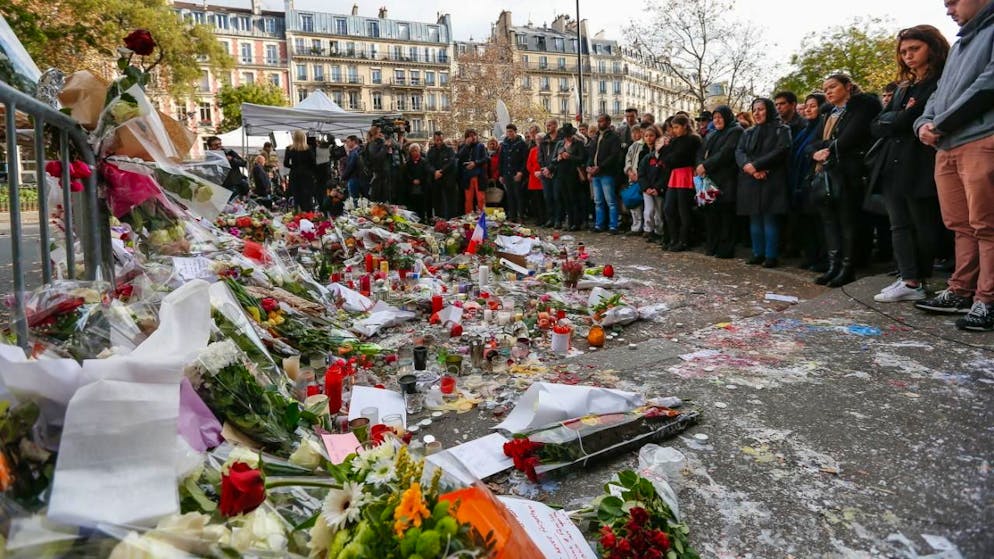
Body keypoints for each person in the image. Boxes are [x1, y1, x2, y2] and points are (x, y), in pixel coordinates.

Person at [914, 0, 994, 331]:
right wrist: (923, 123)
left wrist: (941, 123)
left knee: (987, 223)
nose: (948, 10)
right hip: (947, 145)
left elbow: (987, 84)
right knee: (960, 224)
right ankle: (961, 290)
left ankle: (987, 300)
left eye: (953, 2)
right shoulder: (960, 43)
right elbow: (938, 94)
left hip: (980, 138)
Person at [869, 25, 950, 303]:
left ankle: (917, 279)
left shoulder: (940, 82)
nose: (908, 56)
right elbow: (877, 125)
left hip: (920, 161)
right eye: (903, 51)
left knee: (923, 224)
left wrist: (901, 117)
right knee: (898, 224)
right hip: (892, 162)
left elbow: (909, 120)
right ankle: (907, 277)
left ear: (933, 47)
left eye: (914, 49)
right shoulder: (905, 87)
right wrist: (901, 116)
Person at [808, 74, 883, 286]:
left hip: (850, 173)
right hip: (827, 173)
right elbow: (813, 143)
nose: (828, 92)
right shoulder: (828, 113)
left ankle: (847, 268)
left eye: (833, 86)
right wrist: (815, 152)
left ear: (848, 86)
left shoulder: (863, 106)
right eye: (825, 89)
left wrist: (827, 147)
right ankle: (834, 266)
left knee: (847, 222)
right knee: (830, 222)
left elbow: (849, 138)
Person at [736, 98, 792, 268]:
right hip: (751, 178)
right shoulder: (749, 132)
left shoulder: (782, 129)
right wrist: (750, 167)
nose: (757, 113)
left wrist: (758, 166)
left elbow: (782, 150)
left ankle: (771, 255)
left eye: (761, 109)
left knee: (769, 218)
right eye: (754, 110)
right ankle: (757, 253)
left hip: (771, 179)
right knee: (755, 218)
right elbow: (740, 151)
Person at [788, 93, 829, 271]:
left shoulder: (823, 126)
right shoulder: (805, 129)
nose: (808, 110)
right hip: (800, 180)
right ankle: (810, 255)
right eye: (806, 106)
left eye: (813, 106)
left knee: (819, 222)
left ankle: (823, 258)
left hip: (816, 178)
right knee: (806, 221)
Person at [697, 105, 744, 259]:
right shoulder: (712, 134)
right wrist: (699, 164)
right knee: (711, 214)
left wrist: (705, 165)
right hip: (710, 179)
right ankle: (712, 245)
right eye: (715, 117)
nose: (717, 120)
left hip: (727, 179)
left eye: (720, 117)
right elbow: (701, 152)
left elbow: (726, 153)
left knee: (726, 216)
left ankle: (725, 248)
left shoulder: (735, 131)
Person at [660, 115, 703, 251]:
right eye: (673, 127)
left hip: (685, 174)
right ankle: (673, 238)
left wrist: (670, 158)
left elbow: (680, 157)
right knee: (668, 208)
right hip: (674, 175)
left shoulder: (693, 139)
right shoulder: (674, 140)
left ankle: (684, 240)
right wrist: (667, 151)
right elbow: (663, 157)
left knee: (684, 210)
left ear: (685, 126)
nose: (674, 130)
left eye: (677, 127)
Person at [586, 114, 624, 234]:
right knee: (598, 201)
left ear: (608, 122)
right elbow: (591, 154)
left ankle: (613, 225)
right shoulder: (596, 137)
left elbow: (614, 155)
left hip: (607, 172)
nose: (599, 123)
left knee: (610, 201)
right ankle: (599, 224)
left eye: (601, 121)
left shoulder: (614, 137)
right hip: (596, 174)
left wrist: (600, 167)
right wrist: (589, 166)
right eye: (598, 121)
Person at [551, 123, 588, 231]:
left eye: (569, 135)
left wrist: (570, 156)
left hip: (573, 173)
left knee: (574, 198)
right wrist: (558, 158)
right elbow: (553, 159)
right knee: (565, 198)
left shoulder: (578, 143)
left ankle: (576, 222)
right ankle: (570, 221)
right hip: (561, 173)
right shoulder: (559, 144)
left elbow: (582, 158)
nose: (567, 137)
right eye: (566, 136)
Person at [638, 125, 667, 243]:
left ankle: (659, 231)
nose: (649, 138)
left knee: (659, 212)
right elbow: (641, 173)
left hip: (658, 189)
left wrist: (658, 188)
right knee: (648, 210)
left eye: (651, 136)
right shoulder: (646, 156)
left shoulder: (664, 157)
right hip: (647, 189)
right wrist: (646, 188)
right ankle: (648, 230)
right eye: (646, 136)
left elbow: (665, 174)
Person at [499, 124, 529, 223]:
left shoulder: (521, 144)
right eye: (508, 132)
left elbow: (525, 160)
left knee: (519, 195)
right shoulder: (504, 144)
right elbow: (501, 160)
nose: (509, 133)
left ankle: (521, 216)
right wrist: (501, 174)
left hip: (517, 173)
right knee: (510, 195)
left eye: (511, 131)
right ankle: (512, 215)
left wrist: (521, 172)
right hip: (507, 173)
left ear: (515, 132)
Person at [624, 125, 650, 235]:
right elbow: (628, 160)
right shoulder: (633, 146)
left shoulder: (646, 145)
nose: (635, 135)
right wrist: (629, 171)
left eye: (638, 132)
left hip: (644, 178)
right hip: (633, 177)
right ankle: (636, 226)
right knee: (634, 203)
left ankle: (647, 227)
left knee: (647, 205)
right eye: (633, 133)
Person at [283, 130, 317, 211]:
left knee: (296, 198)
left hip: (294, 175)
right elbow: (314, 163)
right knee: (307, 198)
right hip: (307, 176)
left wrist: (293, 167)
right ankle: (309, 214)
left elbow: (286, 163)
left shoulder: (289, 149)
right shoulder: (309, 149)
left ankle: (297, 213)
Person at [457, 129, 489, 215]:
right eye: (470, 136)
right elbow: (459, 157)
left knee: (481, 198)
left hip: (479, 176)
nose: (473, 137)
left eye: (474, 135)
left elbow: (485, 158)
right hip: (467, 176)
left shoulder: (481, 146)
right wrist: (466, 145)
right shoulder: (463, 146)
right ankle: (469, 217)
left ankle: (482, 217)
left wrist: (475, 163)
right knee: (468, 199)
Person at [427, 132, 457, 219]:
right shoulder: (431, 151)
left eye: (440, 140)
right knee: (437, 203)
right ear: (434, 140)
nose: (439, 142)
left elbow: (451, 162)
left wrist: (441, 171)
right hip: (435, 180)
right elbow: (427, 164)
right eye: (437, 140)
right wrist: (434, 172)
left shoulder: (449, 150)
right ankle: (438, 220)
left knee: (448, 203)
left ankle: (448, 220)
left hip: (447, 180)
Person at [402, 143, 433, 222]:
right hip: (411, 188)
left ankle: (423, 220)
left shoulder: (424, 162)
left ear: (419, 151)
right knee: (412, 207)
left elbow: (427, 174)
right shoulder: (408, 163)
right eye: (413, 151)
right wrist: (412, 180)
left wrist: (420, 180)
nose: (415, 152)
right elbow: (405, 175)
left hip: (422, 188)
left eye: (416, 150)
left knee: (422, 207)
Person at [539, 120, 561, 227]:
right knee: (547, 197)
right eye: (546, 125)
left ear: (555, 126)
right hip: (545, 172)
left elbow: (558, 156)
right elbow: (540, 156)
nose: (548, 127)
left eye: (550, 125)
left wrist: (550, 169)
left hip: (557, 172)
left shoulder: (560, 139)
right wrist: (544, 168)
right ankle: (551, 218)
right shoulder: (544, 140)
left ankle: (558, 219)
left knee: (557, 197)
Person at [362, 126, 390, 203]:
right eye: (379, 132)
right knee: (377, 199)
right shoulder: (372, 144)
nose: (381, 134)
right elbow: (377, 158)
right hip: (377, 175)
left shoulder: (377, 143)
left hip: (380, 175)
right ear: (374, 134)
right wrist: (385, 147)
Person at [525, 132, 546, 226]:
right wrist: (534, 172)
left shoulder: (546, 149)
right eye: (537, 139)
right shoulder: (533, 150)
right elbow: (529, 164)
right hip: (533, 177)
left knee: (543, 200)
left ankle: (544, 218)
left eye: (540, 139)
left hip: (543, 176)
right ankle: (538, 218)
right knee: (535, 200)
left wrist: (541, 172)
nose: (538, 141)